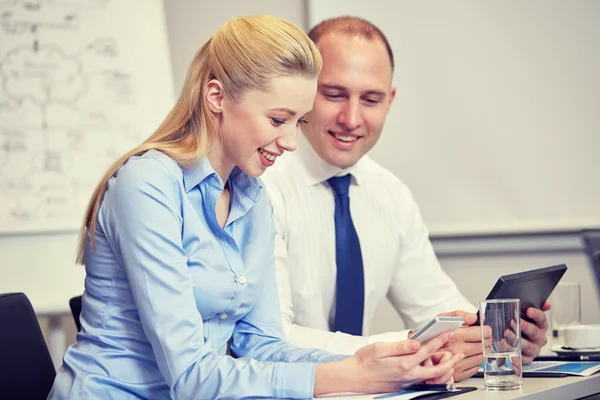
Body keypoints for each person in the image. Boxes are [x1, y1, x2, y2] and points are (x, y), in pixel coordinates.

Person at [48, 15, 463, 399]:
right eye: (278, 119)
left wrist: (386, 365)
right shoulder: (147, 186)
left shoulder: (251, 195)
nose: (291, 142)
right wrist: (353, 375)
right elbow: (193, 377)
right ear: (217, 97)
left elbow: (260, 345)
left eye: (298, 122)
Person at [262, 16, 550, 382]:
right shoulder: (262, 187)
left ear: (390, 100)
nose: (351, 118)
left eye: (371, 99)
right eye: (334, 94)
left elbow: (440, 307)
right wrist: (408, 347)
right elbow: (272, 337)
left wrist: (497, 340)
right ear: (301, 92)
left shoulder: (391, 195)